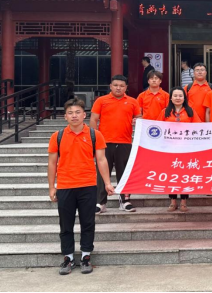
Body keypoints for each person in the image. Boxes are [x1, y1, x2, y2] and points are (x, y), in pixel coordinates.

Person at [48, 98, 115, 276]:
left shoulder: (94, 135)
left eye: (77, 112)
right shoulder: (57, 136)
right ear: (65, 116)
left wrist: (107, 183)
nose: (74, 116)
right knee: (66, 224)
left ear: (84, 115)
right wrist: (52, 187)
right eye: (70, 113)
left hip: (88, 185)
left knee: (87, 222)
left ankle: (86, 256)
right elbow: (52, 163)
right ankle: (68, 258)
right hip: (65, 186)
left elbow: (101, 160)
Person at [90, 75, 142, 214]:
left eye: (121, 86)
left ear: (126, 88)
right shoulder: (101, 100)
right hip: (104, 143)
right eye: (116, 85)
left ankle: (125, 201)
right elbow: (94, 119)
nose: (118, 88)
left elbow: (139, 117)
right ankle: (100, 202)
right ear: (110, 86)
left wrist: (137, 120)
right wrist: (94, 138)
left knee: (124, 173)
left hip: (125, 142)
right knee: (102, 173)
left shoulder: (132, 101)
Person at [158, 87, 201, 213]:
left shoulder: (190, 111)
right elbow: (158, 128)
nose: (178, 98)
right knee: (171, 175)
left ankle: (183, 201)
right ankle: (172, 201)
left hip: (186, 149)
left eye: (180, 96)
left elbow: (198, 127)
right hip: (170, 149)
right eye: (175, 96)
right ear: (171, 98)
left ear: (184, 98)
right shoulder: (165, 112)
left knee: (184, 175)